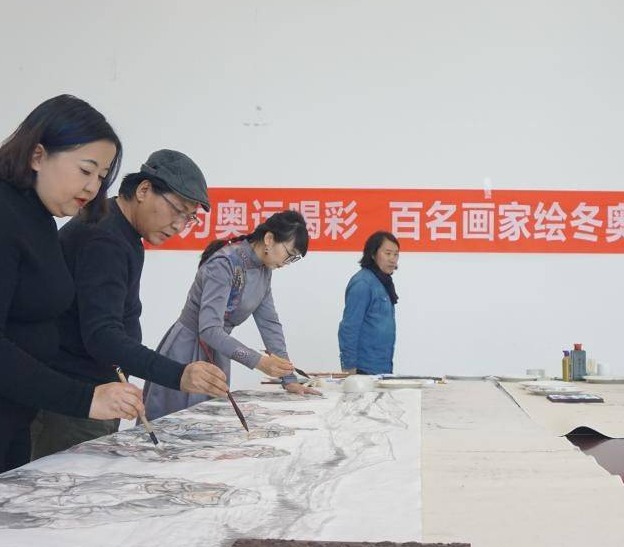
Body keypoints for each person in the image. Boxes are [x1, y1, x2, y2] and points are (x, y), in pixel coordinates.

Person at [30, 150, 230, 458]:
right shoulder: (105, 239)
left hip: (92, 392)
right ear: (144, 190)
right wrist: (179, 374)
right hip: (75, 401)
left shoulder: (119, 230)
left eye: (188, 218)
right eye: (177, 210)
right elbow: (102, 336)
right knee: (69, 486)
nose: (179, 225)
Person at [0, 95, 144, 472]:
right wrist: (86, 399)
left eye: (101, 177)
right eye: (86, 170)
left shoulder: (40, 217)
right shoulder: (6, 213)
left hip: (18, 414)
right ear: (37, 155)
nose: (93, 187)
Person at [144, 210, 316, 420]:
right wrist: (258, 361)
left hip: (220, 350)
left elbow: (270, 324)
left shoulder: (263, 271)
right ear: (269, 239)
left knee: (210, 425)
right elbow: (209, 330)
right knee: (179, 424)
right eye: (289, 254)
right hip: (187, 350)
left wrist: (288, 378)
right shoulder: (224, 263)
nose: (287, 262)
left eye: (294, 258)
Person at [338, 231, 400, 375]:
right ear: (373, 254)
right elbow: (349, 327)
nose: (392, 259)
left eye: (396, 254)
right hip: (362, 369)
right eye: (388, 253)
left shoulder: (384, 283)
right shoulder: (363, 283)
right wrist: (349, 367)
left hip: (382, 367)